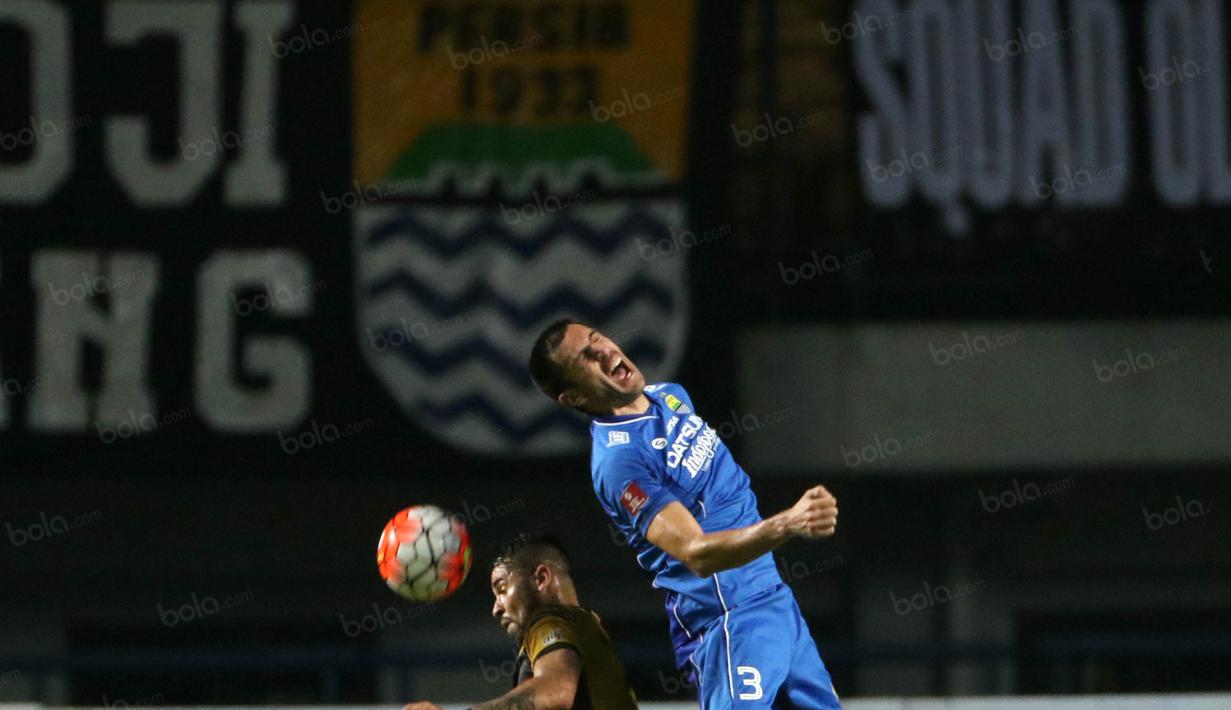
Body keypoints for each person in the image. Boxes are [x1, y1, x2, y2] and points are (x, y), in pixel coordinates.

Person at [528, 319, 841, 709]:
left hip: (775, 600)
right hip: (729, 620)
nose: (605, 351)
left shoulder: (670, 396)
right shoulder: (619, 462)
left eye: (598, 339)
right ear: (573, 397)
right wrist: (789, 522)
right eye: (586, 357)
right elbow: (697, 553)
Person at [403, 533, 637, 710]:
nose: (496, 608)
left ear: (541, 578)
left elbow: (555, 691)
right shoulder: (587, 627)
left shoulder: (550, 621)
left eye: (502, 589)